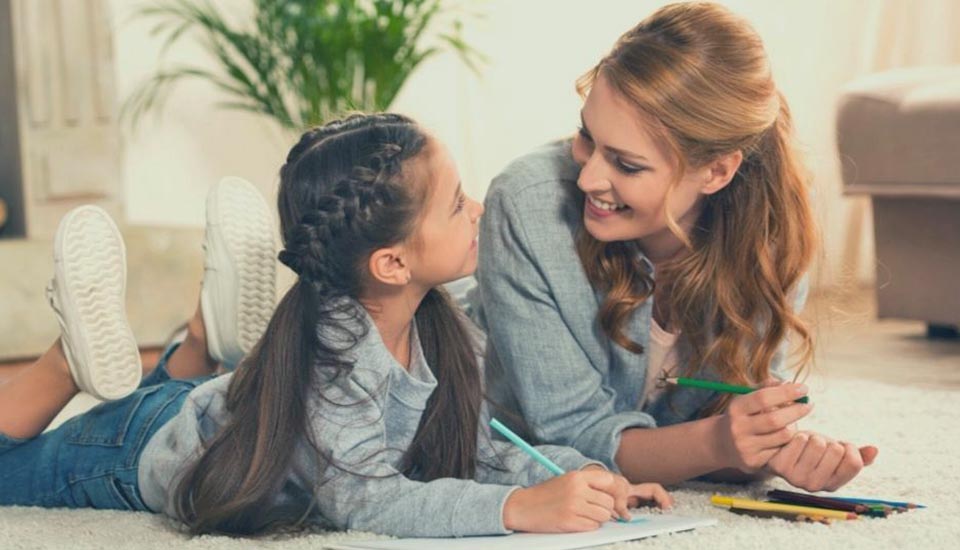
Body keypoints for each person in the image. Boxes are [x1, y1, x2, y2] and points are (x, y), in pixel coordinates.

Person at [0, 114, 671, 537]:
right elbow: (369, 505)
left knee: (196, 394)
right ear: (392, 261)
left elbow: (487, 447)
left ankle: (203, 342)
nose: (479, 207)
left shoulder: (443, 326)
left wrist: (587, 476)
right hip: (138, 450)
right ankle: (68, 360)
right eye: (454, 203)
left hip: (221, 410)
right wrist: (516, 510)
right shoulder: (337, 357)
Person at [473, 2, 878, 493]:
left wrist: (768, 446)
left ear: (717, 172)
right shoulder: (526, 205)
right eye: (586, 136)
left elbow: (720, 427)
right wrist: (720, 444)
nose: (587, 177)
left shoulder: (772, 226)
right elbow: (566, 438)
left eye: (626, 164)